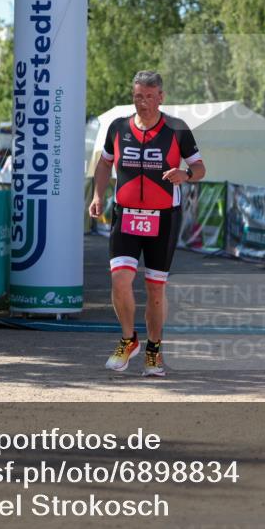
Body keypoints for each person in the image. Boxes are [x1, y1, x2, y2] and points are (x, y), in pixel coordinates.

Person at [89, 70, 205, 377]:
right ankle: (129, 340)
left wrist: (186, 175)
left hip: (163, 218)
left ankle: (153, 350)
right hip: (126, 215)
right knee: (120, 281)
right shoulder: (118, 127)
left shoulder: (178, 130)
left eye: (150, 97)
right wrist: (98, 196)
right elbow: (104, 164)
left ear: (161, 97)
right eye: (138, 96)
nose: (144, 103)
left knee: (155, 290)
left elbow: (200, 167)